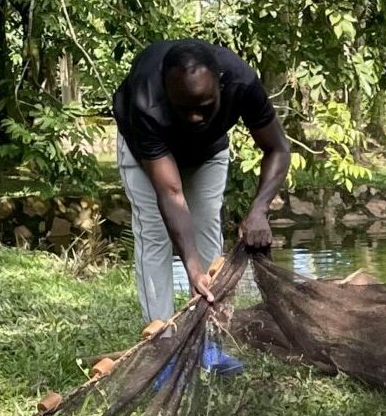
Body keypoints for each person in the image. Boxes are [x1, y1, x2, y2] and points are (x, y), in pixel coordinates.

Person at [111, 38, 293, 334]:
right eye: (183, 108)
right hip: (147, 154)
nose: (195, 118)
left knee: (207, 225)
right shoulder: (146, 98)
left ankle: (212, 335)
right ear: (166, 89)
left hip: (209, 151)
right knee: (154, 233)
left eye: (205, 107)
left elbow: (278, 148)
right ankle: (162, 337)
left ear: (220, 85)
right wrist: (192, 268)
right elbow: (170, 192)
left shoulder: (241, 82)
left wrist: (259, 210)